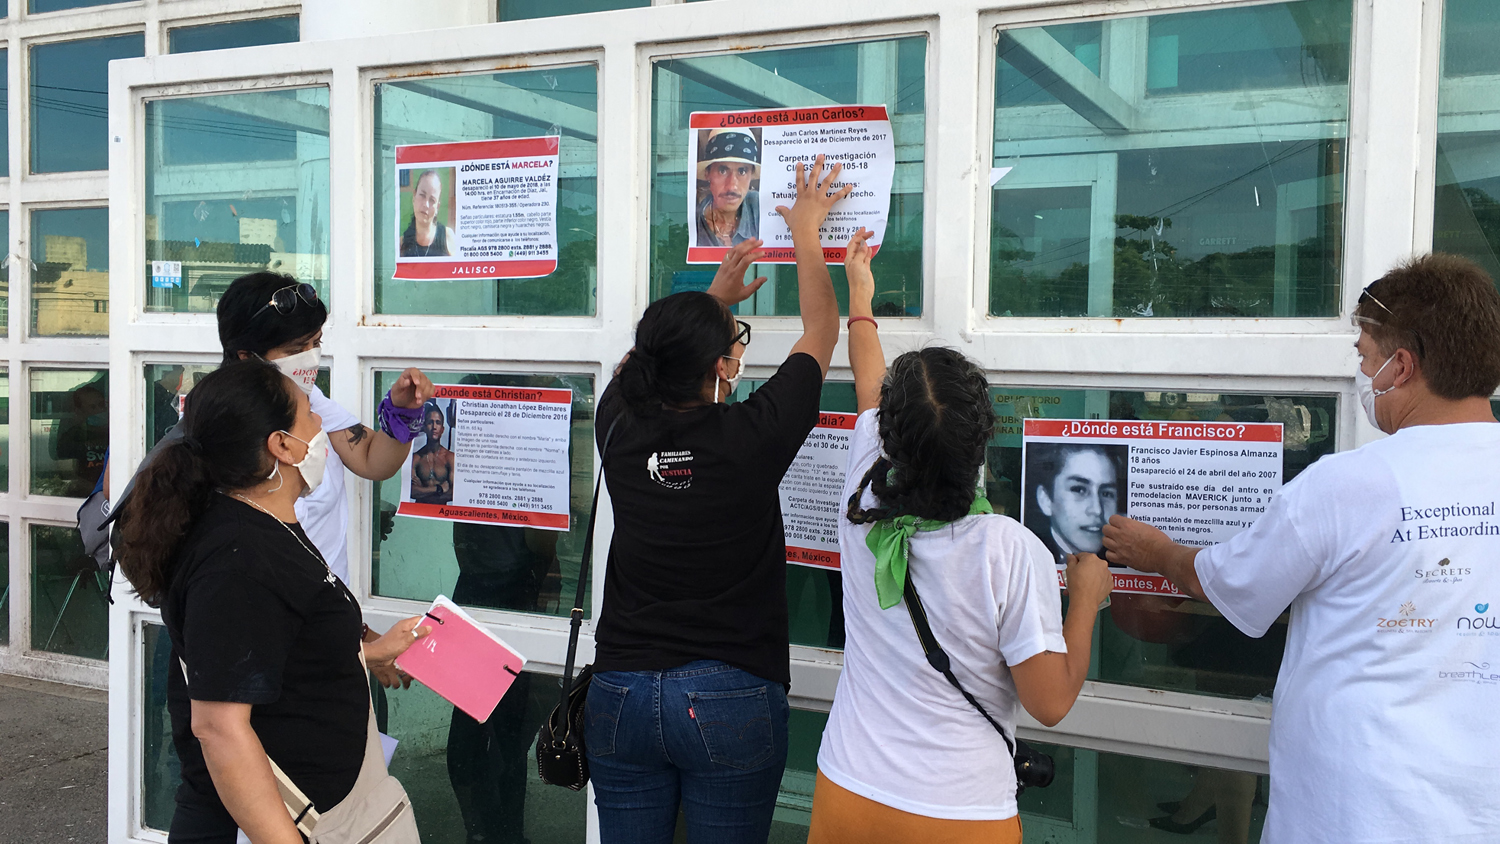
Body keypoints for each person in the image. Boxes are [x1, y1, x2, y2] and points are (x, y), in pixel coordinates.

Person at [1102, 253, 1500, 844]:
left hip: (1356, 809)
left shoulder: (1346, 486)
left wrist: (1156, 551)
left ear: (1403, 366)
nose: (1363, 377)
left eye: (1365, 359)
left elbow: (1229, 582)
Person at [806, 229, 1114, 844]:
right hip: (960, 812)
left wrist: (859, 294)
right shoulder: (1007, 548)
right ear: (982, 444)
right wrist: (1085, 601)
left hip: (848, 790)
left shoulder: (864, 498)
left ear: (889, 438)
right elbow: (1049, 703)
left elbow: (868, 378)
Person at [584, 156, 846, 843]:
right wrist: (808, 232)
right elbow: (822, 333)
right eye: (734, 345)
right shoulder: (748, 437)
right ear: (724, 368)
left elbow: (647, 360)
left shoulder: (617, 418)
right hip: (730, 695)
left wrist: (714, 300)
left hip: (620, 695)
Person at [112, 360, 431, 843]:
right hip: (290, 823)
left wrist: (370, 652)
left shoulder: (265, 527)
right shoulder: (236, 561)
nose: (323, 425)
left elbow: (277, 653)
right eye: (309, 415)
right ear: (281, 445)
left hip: (336, 804)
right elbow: (220, 727)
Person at [1025, 443, 1123, 565]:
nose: (1097, 509)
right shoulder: (1027, 557)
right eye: (1079, 490)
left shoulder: (1122, 561)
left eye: (1107, 494)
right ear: (1045, 499)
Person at [695, 129, 761, 248]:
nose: (732, 185)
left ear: (751, 175)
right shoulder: (695, 222)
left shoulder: (759, 208)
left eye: (742, 171)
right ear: (707, 173)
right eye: (722, 171)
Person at [400, 169, 454, 257]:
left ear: (437, 207)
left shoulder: (448, 239)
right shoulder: (401, 246)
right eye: (422, 195)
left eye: (432, 200)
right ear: (414, 196)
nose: (426, 204)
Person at [411, 401, 455, 505]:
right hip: (419, 512)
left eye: (438, 422)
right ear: (425, 427)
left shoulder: (450, 458)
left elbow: (454, 493)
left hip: (440, 514)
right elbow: (411, 492)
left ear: (442, 429)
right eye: (430, 422)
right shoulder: (416, 458)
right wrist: (438, 489)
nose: (434, 427)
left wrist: (423, 491)